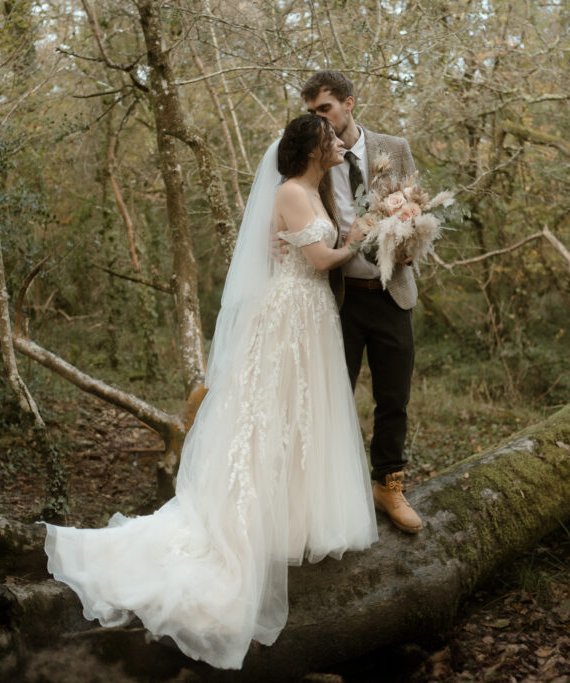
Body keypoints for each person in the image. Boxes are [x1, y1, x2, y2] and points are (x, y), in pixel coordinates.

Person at [41, 114, 377, 670]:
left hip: (311, 316)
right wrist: (357, 241)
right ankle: (246, 527)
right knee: (271, 419)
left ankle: (293, 521)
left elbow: (305, 252)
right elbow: (319, 260)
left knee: (302, 419)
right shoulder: (293, 192)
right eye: (331, 139)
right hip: (291, 317)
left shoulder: (313, 192)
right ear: (312, 149)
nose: (340, 143)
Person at [301, 71, 423, 534]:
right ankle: (332, 494)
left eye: (325, 109)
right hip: (340, 300)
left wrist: (412, 241)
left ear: (349, 104)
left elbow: (419, 209)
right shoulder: (312, 159)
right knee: (334, 399)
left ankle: (388, 485)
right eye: (312, 113)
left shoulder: (395, 147)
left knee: (394, 399)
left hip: (393, 293)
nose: (320, 119)